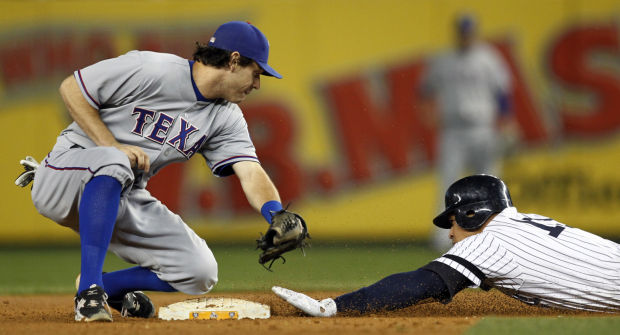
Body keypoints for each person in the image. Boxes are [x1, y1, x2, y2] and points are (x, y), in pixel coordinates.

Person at [15, 21, 307, 322]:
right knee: (115, 162)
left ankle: (104, 286)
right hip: (65, 172)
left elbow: (249, 170)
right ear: (234, 61)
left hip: (120, 195)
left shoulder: (226, 117)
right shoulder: (152, 68)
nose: (257, 84)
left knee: (200, 271)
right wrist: (112, 145)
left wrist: (275, 213)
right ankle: (89, 292)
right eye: (256, 73)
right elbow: (71, 89)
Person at [273, 174, 620, 316]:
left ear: (471, 214)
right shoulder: (527, 220)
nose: (450, 233)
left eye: (452, 221)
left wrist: (336, 306)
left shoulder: (488, 242)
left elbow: (418, 284)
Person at [418, 14, 514, 251]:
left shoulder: (488, 57)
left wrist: (507, 119)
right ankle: (443, 238)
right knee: (447, 183)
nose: (465, 36)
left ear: (475, 32)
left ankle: (495, 234)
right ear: (457, 32)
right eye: (462, 31)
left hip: (483, 129)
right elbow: (424, 89)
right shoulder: (443, 59)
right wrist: (428, 113)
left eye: (469, 31)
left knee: (490, 184)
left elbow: (503, 91)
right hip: (453, 131)